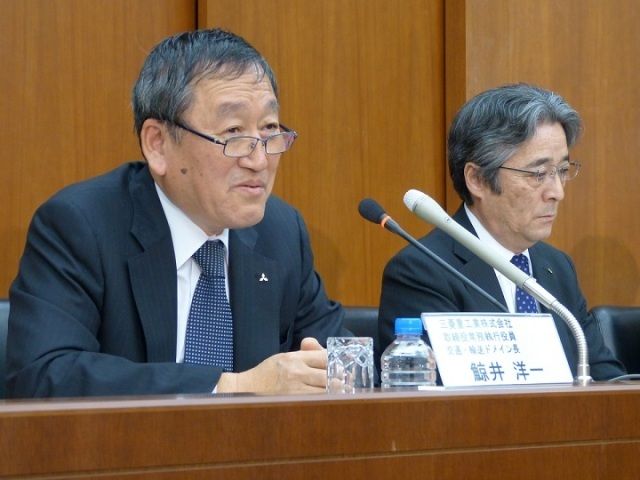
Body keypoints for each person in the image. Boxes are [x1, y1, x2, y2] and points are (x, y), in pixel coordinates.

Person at [7, 28, 346, 398]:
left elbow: (340, 361)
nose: (260, 160)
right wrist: (231, 386)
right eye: (234, 132)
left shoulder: (280, 232)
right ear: (158, 144)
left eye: (269, 130)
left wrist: (338, 372)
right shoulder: (82, 225)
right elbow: (43, 374)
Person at [378, 83, 625, 381]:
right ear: (478, 179)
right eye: (538, 174)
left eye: (562, 171)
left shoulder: (557, 267)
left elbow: (607, 379)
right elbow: (436, 398)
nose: (557, 192)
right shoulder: (423, 272)